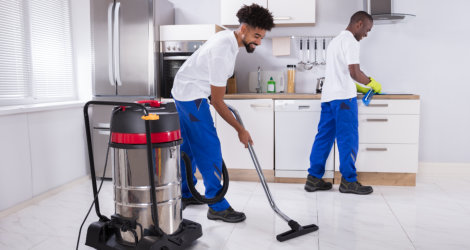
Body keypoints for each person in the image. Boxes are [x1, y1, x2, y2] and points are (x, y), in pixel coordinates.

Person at [171, 4, 274, 222]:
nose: (259, 42)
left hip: (183, 91)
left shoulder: (227, 39)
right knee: (209, 147)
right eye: (257, 36)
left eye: (262, 37)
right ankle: (216, 205)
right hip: (191, 97)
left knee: (187, 148)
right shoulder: (224, 50)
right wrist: (240, 130)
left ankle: (185, 193)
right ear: (244, 28)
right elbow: (218, 102)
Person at [304, 11, 382, 195]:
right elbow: (354, 72)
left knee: (323, 137)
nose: (366, 34)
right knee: (348, 139)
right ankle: (348, 181)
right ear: (359, 23)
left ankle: (313, 179)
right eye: (367, 30)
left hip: (329, 98)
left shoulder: (335, 42)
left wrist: (358, 87)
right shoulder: (351, 41)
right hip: (344, 100)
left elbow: (343, 74)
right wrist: (371, 82)